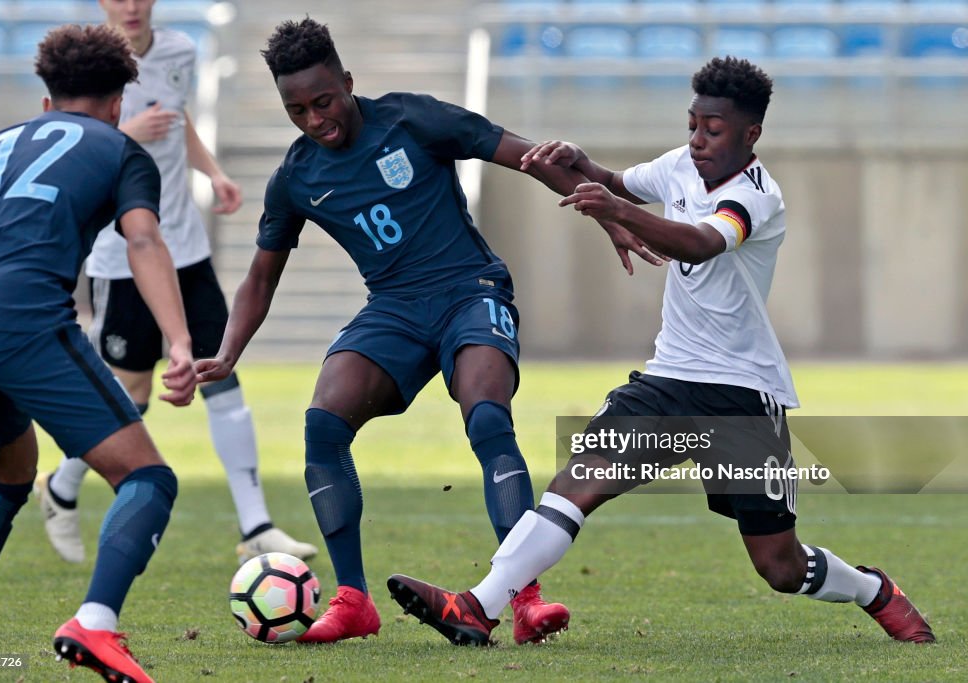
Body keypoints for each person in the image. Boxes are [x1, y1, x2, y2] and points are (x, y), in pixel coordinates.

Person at [387, 56, 936, 647]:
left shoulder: (758, 196)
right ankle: (477, 606)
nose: (697, 140)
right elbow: (617, 182)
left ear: (751, 134)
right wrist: (576, 161)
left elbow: (701, 243)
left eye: (713, 129)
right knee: (577, 483)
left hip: (742, 396)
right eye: (692, 124)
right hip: (668, 379)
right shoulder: (680, 165)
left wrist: (617, 210)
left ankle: (873, 590)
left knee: (779, 566)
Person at [193, 17, 657, 645]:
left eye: (323, 101)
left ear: (349, 83)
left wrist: (608, 213)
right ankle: (354, 600)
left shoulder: (412, 120)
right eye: (295, 109)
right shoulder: (297, 177)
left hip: (472, 289)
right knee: (322, 424)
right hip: (394, 310)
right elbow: (260, 277)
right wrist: (227, 352)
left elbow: (528, 156)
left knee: (488, 417)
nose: (313, 119)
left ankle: (522, 600)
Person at [0, 24, 199, 683]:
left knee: (6, 475)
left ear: (47, 102)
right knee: (147, 476)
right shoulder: (120, 148)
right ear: (119, 104)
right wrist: (177, 339)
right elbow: (142, 241)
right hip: (25, 317)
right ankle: (95, 622)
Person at [34, 0, 317, 565]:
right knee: (131, 394)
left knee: (221, 376)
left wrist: (211, 171)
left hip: (185, 248)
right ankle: (62, 486)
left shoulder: (180, 51)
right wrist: (127, 131)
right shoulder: (87, 69)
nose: (132, 6)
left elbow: (178, 116)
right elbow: (60, 140)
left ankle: (256, 525)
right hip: (123, 257)